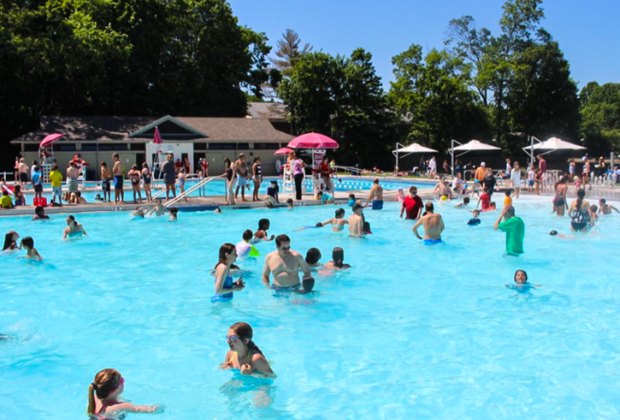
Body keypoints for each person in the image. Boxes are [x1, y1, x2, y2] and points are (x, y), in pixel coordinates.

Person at [87, 368, 162, 418]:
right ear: (114, 391)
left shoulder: (94, 398)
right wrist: (158, 407)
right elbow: (144, 409)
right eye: (122, 380)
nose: (124, 382)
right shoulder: (120, 406)